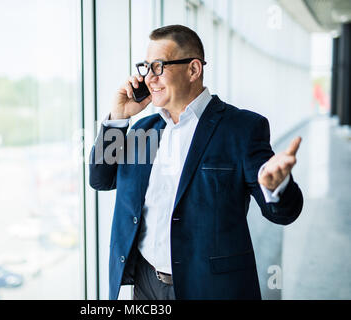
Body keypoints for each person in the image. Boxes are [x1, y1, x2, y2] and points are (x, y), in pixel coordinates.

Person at [89, 24, 303, 300]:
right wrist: (118, 117)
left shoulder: (242, 128)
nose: (148, 79)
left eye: (158, 67)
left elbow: (283, 214)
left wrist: (277, 186)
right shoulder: (145, 129)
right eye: (145, 67)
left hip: (209, 288)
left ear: (193, 70)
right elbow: (101, 179)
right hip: (145, 283)